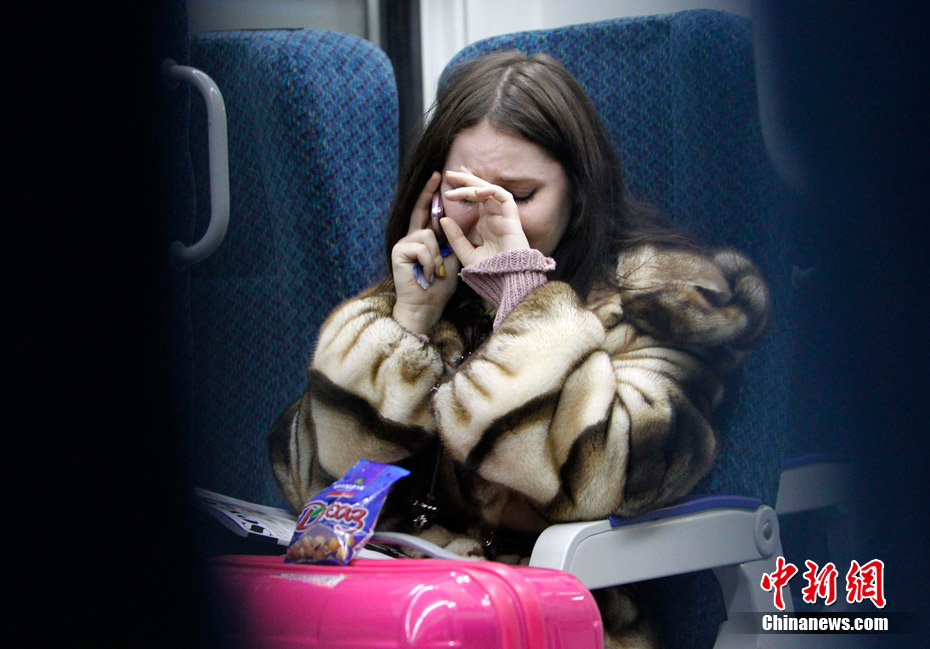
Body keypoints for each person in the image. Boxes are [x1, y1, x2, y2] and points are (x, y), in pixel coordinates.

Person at [269, 50, 770, 648]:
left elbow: (616, 475)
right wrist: (405, 328)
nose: (490, 219)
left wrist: (524, 306)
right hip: (401, 614)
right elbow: (314, 493)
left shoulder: (663, 299)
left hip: (559, 620)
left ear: (577, 196)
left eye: (521, 195)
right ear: (431, 194)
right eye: (466, 192)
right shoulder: (427, 294)